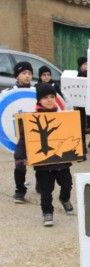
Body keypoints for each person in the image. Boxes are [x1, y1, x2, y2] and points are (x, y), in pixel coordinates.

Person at [32, 83, 74, 226]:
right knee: (46, 191)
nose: (50, 100)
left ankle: (64, 198)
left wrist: (80, 153)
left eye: (52, 97)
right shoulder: (32, 119)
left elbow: (72, 136)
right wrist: (21, 156)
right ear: (39, 100)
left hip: (62, 162)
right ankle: (47, 213)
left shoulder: (63, 117)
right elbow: (26, 140)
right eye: (45, 97)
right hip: (43, 165)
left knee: (67, 185)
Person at [7, 61, 34, 203]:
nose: (27, 76)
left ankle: (42, 185)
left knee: (41, 164)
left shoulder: (36, 93)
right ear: (17, 75)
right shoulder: (8, 93)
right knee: (20, 164)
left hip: (36, 133)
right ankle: (20, 190)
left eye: (29, 73)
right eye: (24, 73)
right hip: (18, 136)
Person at [76, 56, 90, 151]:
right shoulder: (77, 75)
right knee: (81, 122)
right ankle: (83, 143)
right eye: (84, 64)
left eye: (87, 64)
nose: (86, 66)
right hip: (80, 102)